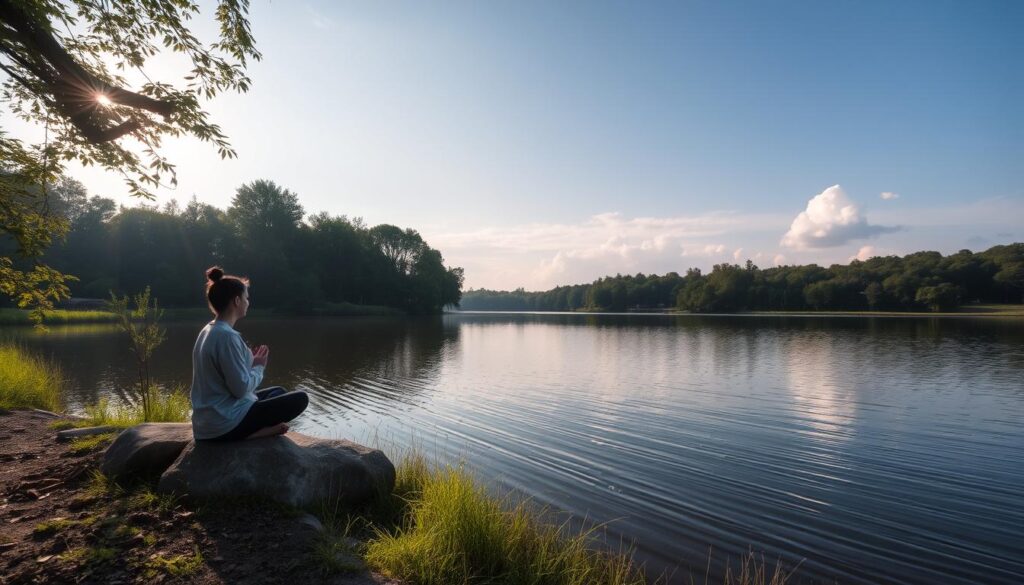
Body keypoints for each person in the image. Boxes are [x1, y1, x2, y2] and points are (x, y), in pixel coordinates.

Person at [190, 266, 308, 441]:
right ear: (236, 301)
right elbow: (240, 390)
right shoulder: (227, 337)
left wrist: (247, 362)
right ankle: (251, 434)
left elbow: (226, 379)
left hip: (209, 420)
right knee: (300, 399)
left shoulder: (209, 329)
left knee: (279, 392)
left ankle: (250, 429)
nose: (248, 302)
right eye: (246, 297)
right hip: (222, 425)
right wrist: (259, 367)